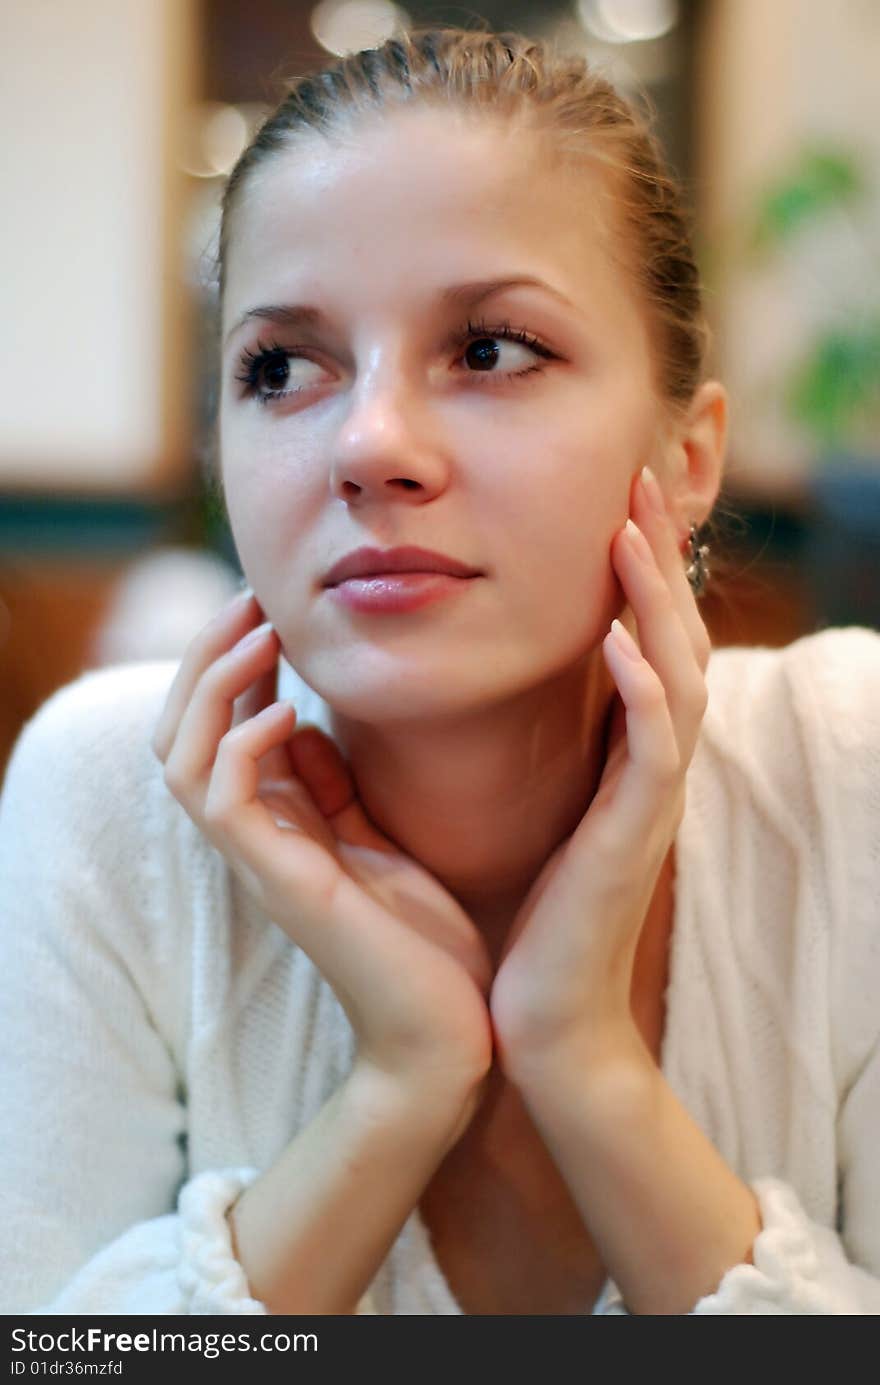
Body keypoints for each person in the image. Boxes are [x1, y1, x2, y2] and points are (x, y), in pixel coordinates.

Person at [1, 26, 878, 1317]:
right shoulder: (106, 797)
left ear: (688, 460)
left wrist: (585, 1060)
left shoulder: (847, 773)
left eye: (489, 350)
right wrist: (402, 1080)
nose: (368, 444)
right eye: (283, 367)